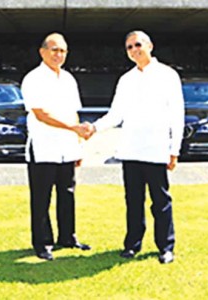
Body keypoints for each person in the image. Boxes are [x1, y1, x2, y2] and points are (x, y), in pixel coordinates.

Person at [82, 30, 184, 264]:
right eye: (129, 47)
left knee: (161, 201)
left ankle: (166, 247)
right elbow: (116, 114)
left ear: (150, 45)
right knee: (133, 201)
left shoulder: (167, 75)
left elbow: (177, 115)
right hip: (131, 149)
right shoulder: (126, 79)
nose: (134, 50)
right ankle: (132, 245)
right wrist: (94, 128)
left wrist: (174, 150)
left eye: (137, 44)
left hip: (157, 149)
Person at [21, 32, 91, 261]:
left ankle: (68, 237)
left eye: (62, 51)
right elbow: (42, 115)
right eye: (54, 50)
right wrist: (74, 129)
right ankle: (42, 243)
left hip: (67, 148)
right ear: (42, 52)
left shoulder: (69, 79)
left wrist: (79, 144)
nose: (58, 55)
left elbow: (74, 113)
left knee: (67, 194)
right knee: (41, 198)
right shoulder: (33, 78)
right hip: (43, 148)